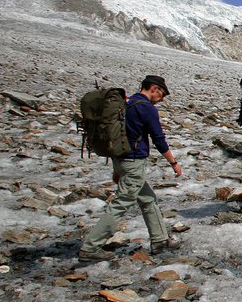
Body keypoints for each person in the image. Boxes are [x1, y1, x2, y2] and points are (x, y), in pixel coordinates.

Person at [78, 75, 183, 261]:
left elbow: (119, 135)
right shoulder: (146, 108)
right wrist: (173, 163)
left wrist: (117, 168)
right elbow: (158, 139)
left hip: (121, 159)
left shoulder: (127, 103)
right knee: (122, 202)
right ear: (153, 88)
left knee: (148, 198)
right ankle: (91, 247)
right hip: (134, 161)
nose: (163, 98)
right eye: (163, 93)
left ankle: (160, 240)